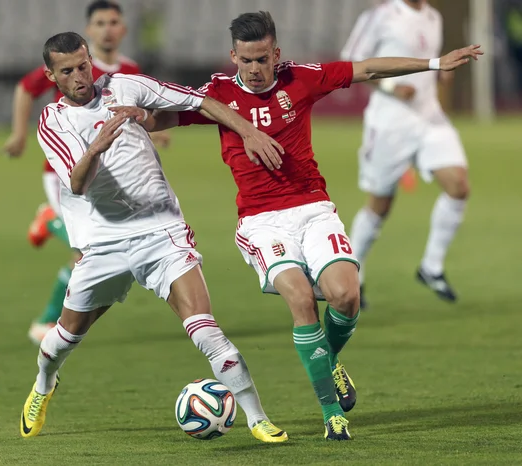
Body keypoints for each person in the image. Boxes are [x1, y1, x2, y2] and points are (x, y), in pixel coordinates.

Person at [116, 11, 481, 440]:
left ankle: (329, 359)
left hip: (313, 209)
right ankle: (332, 414)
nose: (254, 70)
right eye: (246, 60)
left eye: (262, 59)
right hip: (261, 222)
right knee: (302, 298)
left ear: (277, 53)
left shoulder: (301, 79)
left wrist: (435, 64)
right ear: (234, 56)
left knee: (346, 296)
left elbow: (367, 68)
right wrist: (141, 119)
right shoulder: (218, 93)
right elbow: (170, 116)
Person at [20, 31, 288, 444]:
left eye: (83, 64)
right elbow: (77, 184)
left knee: (206, 330)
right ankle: (43, 385)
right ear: (51, 75)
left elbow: (200, 101)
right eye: (68, 70)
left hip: (161, 231)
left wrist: (247, 131)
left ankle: (257, 418)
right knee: (65, 338)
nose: (79, 76)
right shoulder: (52, 120)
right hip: (102, 242)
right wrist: (97, 146)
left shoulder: (126, 85)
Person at [2, 1, 168, 344]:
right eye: (100, 22)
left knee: (89, 251)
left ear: (122, 29)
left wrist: (156, 127)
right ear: (89, 31)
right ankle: (49, 315)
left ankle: (49, 227)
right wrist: (19, 134)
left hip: (109, 178)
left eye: (113, 22)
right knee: (86, 251)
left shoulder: (128, 70)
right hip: (65, 175)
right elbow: (25, 88)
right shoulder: (66, 63)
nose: (107, 28)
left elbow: (137, 110)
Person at [341, 0, 472, 307]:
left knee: (458, 184)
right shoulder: (381, 16)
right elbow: (350, 62)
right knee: (380, 204)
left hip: (429, 118)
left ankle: (431, 267)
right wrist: (391, 88)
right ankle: (352, 275)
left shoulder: (433, 17)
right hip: (389, 124)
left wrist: (439, 75)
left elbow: (427, 65)